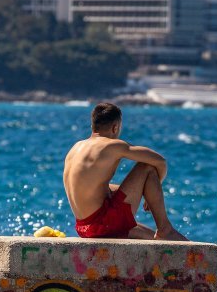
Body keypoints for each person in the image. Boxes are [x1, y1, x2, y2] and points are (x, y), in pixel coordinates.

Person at [63, 102, 187, 240]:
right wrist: (154, 187)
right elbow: (160, 161)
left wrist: (147, 191)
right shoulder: (112, 145)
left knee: (150, 236)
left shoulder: (75, 148)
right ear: (115, 127)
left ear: (93, 125)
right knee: (147, 168)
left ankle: (159, 236)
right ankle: (165, 228)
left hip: (84, 228)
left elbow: (89, 189)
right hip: (103, 225)